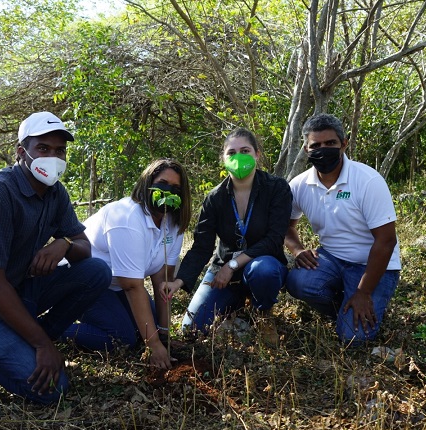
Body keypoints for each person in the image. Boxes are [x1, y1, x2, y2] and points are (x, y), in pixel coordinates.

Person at [0, 111, 112, 404]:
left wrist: (63, 244)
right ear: (21, 152)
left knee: (96, 271)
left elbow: (84, 248)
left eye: (59, 150)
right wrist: (42, 345)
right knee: (54, 390)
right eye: (43, 148)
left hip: (13, 289)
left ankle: (30, 342)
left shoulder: (56, 193)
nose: (52, 157)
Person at [161, 128, 292, 342]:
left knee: (263, 271)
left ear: (257, 154)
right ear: (223, 158)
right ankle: (237, 299)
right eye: (231, 153)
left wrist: (232, 266)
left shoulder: (276, 188)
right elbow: (202, 246)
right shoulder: (215, 198)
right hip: (222, 269)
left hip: (261, 263)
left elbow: (274, 239)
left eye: (245, 150)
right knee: (191, 329)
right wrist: (179, 280)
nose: (238, 157)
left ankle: (263, 313)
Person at [61, 159, 191, 369]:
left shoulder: (174, 223)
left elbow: (163, 280)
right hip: (83, 283)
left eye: (176, 188)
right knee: (123, 338)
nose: (168, 192)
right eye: (162, 183)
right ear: (147, 183)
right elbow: (132, 285)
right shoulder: (128, 218)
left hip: (115, 285)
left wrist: (164, 336)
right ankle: (48, 328)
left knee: (148, 329)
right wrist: (154, 345)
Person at [284, 113, 401, 346]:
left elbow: (386, 241)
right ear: (306, 149)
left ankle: (362, 300)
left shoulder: (367, 180)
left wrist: (364, 292)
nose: (323, 149)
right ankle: (345, 306)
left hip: (375, 265)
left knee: (352, 339)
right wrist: (297, 249)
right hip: (332, 258)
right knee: (298, 281)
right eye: (315, 145)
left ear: (344, 144)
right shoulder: (299, 185)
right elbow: (285, 226)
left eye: (330, 143)